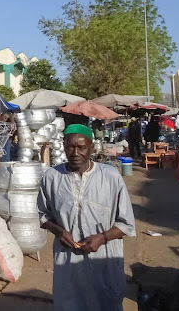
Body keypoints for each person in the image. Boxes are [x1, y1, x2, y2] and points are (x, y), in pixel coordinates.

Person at [37, 124, 136, 311]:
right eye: (70, 147)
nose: (75, 152)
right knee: (70, 303)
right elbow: (43, 214)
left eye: (81, 147)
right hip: (68, 259)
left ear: (92, 147)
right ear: (64, 146)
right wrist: (59, 231)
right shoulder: (51, 177)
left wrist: (103, 237)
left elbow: (126, 223)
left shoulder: (110, 176)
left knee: (106, 301)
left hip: (104, 257)